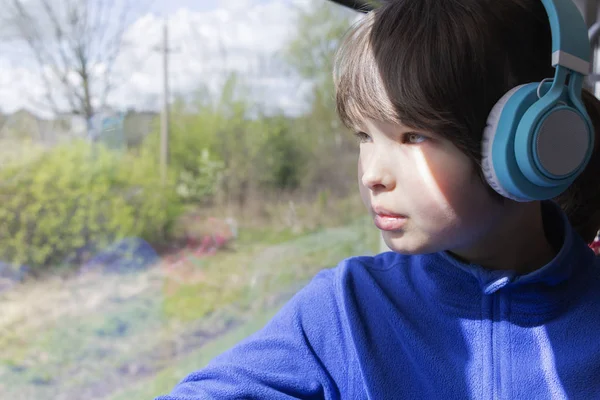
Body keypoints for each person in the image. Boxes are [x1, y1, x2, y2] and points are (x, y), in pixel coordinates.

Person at [156, 0, 600, 398]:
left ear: (538, 142)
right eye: (364, 135)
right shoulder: (348, 309)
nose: (371, 175)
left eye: (413, 135)